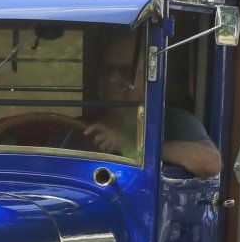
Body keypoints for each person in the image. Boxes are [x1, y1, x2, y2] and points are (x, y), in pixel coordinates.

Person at [82, 28, 223, 178]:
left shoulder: (172, 121)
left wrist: (136, 147)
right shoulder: (87, 123)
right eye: (107, 69)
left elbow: (211, 163)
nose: (112, 79)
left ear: (151, 75)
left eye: (126, 71)